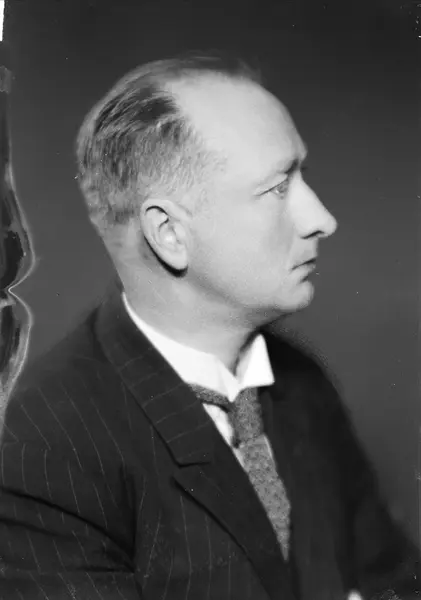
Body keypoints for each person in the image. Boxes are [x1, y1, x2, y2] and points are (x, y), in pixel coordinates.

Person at [0, 53, 418, 600]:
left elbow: (391, 578)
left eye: (302, 176)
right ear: (169, 234)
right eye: (277, 188)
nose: (322, 219)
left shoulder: (302, 383)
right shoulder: (45, 442)